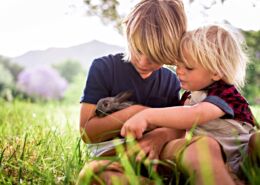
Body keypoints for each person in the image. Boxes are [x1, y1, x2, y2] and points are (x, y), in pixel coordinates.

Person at [121, 24, 257, 185]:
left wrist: (147, 116)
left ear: (216, 72)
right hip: (216, 160)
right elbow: (179, 126)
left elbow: (194, 115)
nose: (179, 71)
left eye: (189, 67)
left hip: (246, 157)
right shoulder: (189, 96)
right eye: (178, 64)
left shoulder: (225, 94)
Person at [77, 0, 187, 184]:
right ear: (127, 31)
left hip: (156, 151)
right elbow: (88, 133)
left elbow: (178, 127)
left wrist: (159, 136)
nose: (143, 62)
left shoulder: (170, 80)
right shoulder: (104, 68)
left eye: (154, 58)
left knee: (194, 148)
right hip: (115, 155)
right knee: (92, 175)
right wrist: (139, 113)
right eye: (137, 50)